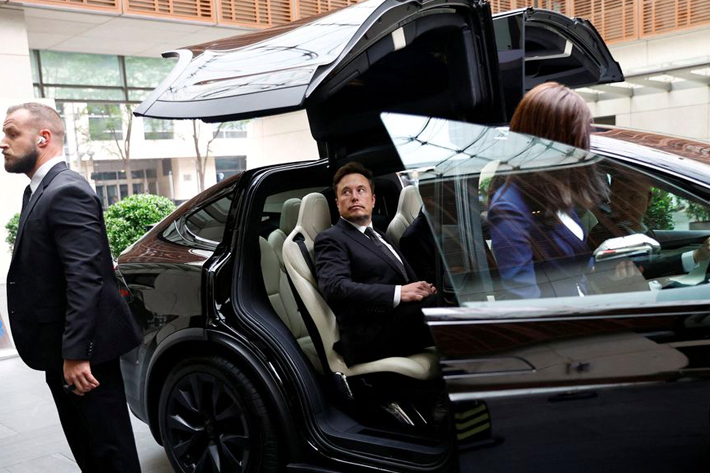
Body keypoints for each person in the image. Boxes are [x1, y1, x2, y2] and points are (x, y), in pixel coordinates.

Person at [2, 103, 143, 473]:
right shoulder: (38, 191)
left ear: (43, 138)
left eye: (12, 132)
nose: (3, 142)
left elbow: (86, 277)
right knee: (89, 449)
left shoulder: (66, 190)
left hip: (82, 357)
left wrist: (77, 354)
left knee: (109, 452)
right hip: (61, 352)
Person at [487, 82, 608, 299]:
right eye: (578, 137)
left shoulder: (550, 191)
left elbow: (567, 264)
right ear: (555, 140)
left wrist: (609, 261)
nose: (584, 146)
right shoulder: (510, 207)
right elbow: (523, 299)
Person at [314, 162, 437, 366]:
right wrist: (398, 293)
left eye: (361, 190)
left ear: (372, 200)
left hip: (404, 321)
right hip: (371, 334)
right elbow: (334, 288)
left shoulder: (380, 235)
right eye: (346, 192)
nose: (354, 197)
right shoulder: (330, 238)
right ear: (337, 203)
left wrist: (423, 288)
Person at [588, 171, 710, 280]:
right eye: (618, 197)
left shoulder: (641, 229)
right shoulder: (602, 235)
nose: (624, 205)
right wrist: (697, 255)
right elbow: (649, 267)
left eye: (633, 197)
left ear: (649, 198)